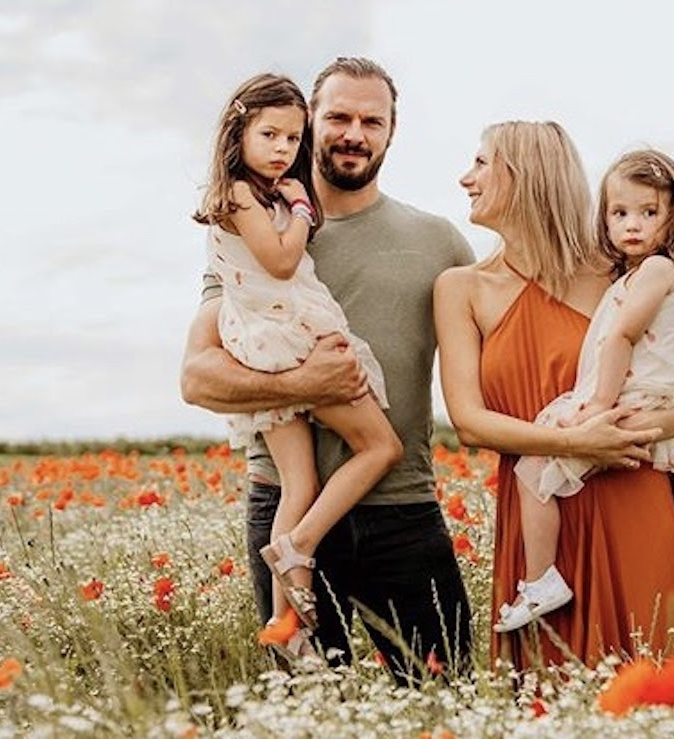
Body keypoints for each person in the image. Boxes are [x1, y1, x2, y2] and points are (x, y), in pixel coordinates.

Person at [181, 58, 475, 683]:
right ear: (311, 122)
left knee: (446, 692)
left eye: (373, 121)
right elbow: (198, 377)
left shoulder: (439, 242)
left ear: (392, 130)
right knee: (309, 707)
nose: (354, 134)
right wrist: (304, 384)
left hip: (401, 506)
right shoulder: (257, 229)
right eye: (339, 117)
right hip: (283, 498)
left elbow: (494, 355)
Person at [434, 121, 674, 669]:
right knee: (551, 695)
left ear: (526, 175)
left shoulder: (622, 272)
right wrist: (576, 443)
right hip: (540, 518)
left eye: (482, 163)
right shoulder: (461, 288)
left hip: (632, 497)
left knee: (652, 684)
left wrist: (620, 437)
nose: (466, 178)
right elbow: (467, 421)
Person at [192, 72, 404, 657]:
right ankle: (299, 545)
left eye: (293, 138)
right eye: (270, 135)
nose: (284, 149)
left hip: (266, 340)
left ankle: (289, 629)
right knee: (381, 447)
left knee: (301, 482)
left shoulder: (257, 195)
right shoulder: (241, 194)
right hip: (289, 338)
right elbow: (283, 262)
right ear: (237, 133)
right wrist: (304, 208)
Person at [493, 149, 674, 633]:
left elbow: (622, 335)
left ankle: (541, 579)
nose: (632, 224)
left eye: (649, 212)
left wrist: (597, 404)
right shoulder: (643, 277)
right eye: (619, 213)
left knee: (532, 471)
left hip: (628, 401)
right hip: (643, 400)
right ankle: (543, 579)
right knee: (544, 467)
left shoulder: (655, 271)